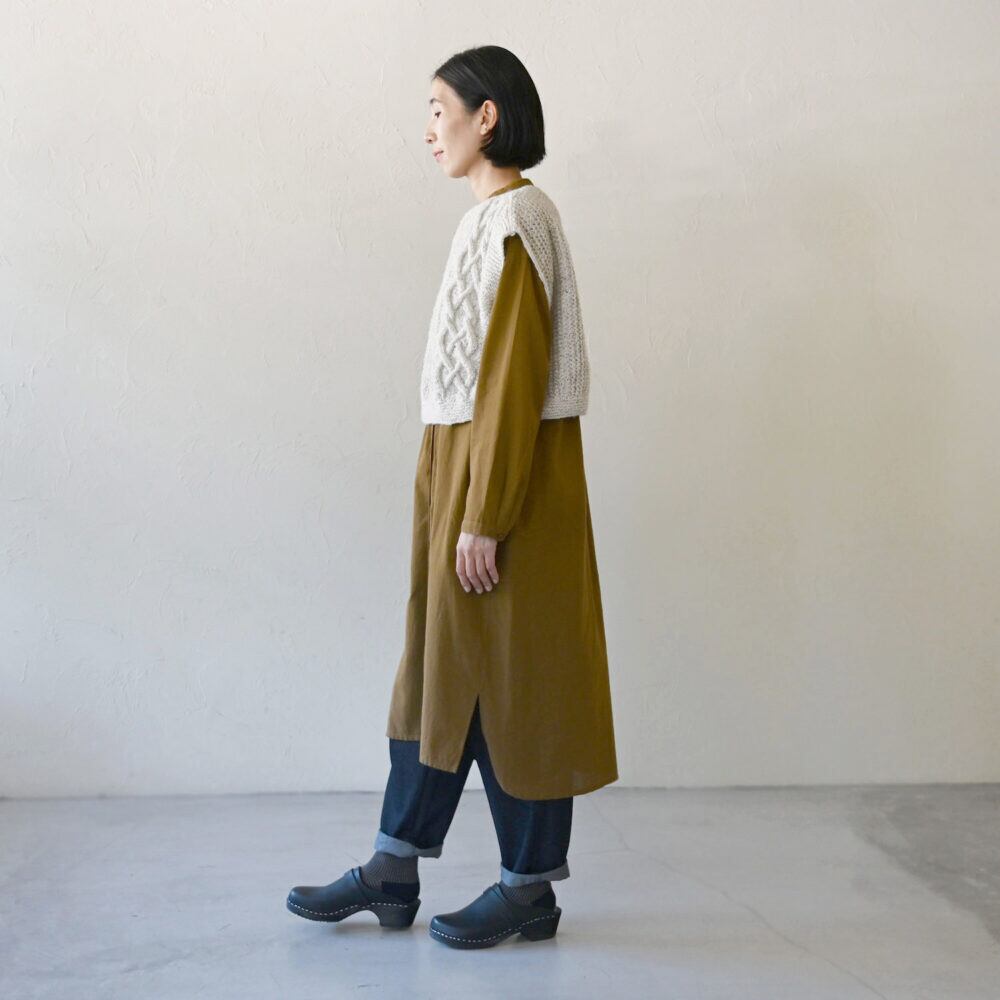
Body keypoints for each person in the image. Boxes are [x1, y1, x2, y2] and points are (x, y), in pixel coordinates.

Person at [287, 45, 618, 950]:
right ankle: (394, 867)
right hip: (464, 471)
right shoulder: (488, 222)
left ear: (487, 117)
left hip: (504, 484)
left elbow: (512, 383)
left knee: (518, 681)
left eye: (440, 109)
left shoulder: (518, 221)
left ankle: (528, 889)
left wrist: (485, 514)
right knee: (440, 676)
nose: (429, 129)